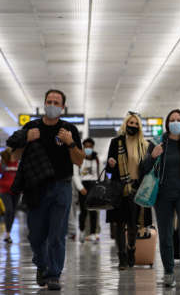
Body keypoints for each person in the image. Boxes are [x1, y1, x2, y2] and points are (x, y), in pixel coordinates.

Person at [6, 89, 84, 290]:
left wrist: (70, 143)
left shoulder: (69, 129)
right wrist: (27, 139)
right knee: (36, 235)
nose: (52, 105)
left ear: (62, 107)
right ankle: (41, 264)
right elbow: (13, 157)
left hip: (62, 187)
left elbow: (79, 160)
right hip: (36, 188)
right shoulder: (31, 126)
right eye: (49, 101)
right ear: (44, 103)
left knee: (57, 233)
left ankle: (54, 274)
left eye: (56, 102)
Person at [143, 109, 180, 288]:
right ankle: (168, 272)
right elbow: (143, 169)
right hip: (162, 195)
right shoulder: (157, 142)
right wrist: (153, 156)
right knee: (166, 232)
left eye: (179, 120)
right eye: (172, 120)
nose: (175, 122)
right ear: (167, 124)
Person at [106, 112, 152, 270]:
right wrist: (111, 164)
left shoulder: (145, 145)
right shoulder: (116, 142)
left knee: (133, 224)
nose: (132, 126)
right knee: (120, 224)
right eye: (130, 123)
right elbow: (109, 169)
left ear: (139, 127)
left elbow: (148, 168)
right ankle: (122, 257)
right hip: (119, 188)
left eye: (135, 124)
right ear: (125, 124)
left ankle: (131, 249)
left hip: (137, 189)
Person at [73, 137, 101, 244]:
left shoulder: (97, 159)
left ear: (93, 147)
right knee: (83, 211)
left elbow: (100, 175)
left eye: (90, 146)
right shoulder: (79, 159)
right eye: (86, 146)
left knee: (94, 211)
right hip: (83, 186)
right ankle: (82, 231)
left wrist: (99, 188)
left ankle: (93, 233)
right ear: (83, 147)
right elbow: (75, 175)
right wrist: (80, 188)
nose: (88, 148)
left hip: (94, 186)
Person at [0, 148, 21, 244]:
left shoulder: (18, 163)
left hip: (16, 191)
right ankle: (7, 234)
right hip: (4, 190)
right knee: (9, 210)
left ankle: (8, 233)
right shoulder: (3, 164)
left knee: (13, 212)